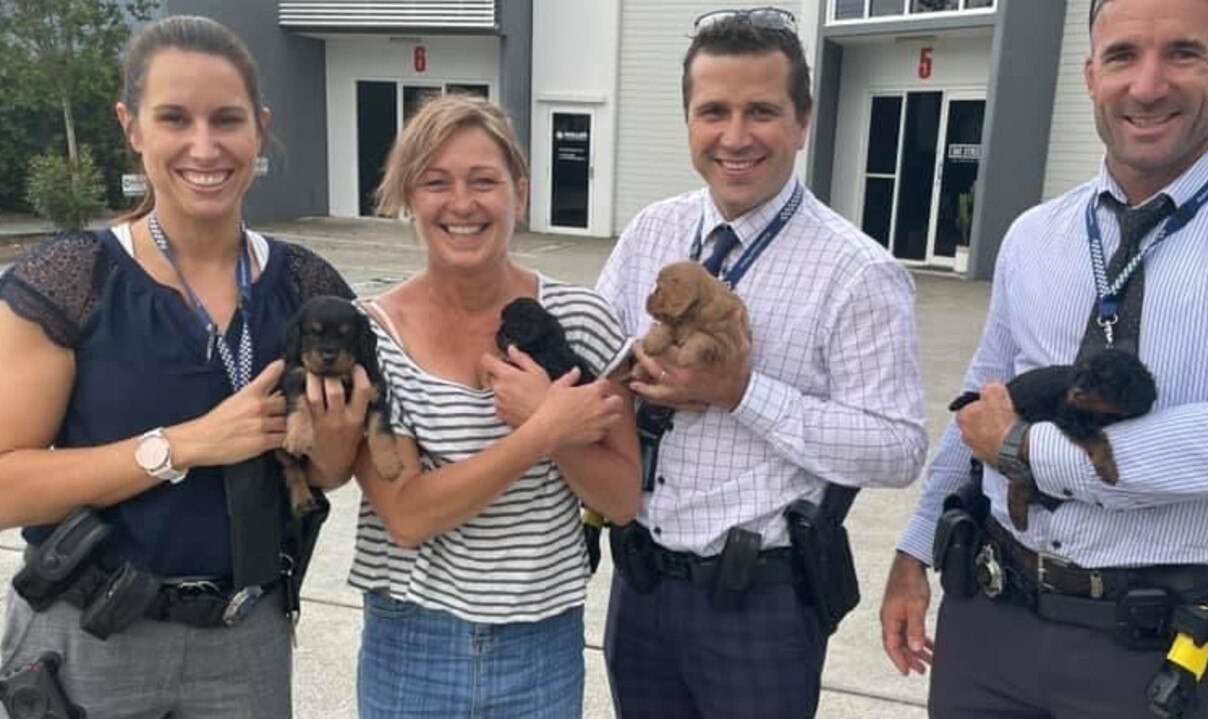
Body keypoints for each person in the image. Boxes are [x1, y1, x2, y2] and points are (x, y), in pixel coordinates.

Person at [881, 1, 1208, 717]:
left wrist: (1024, 449)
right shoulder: (1035, 234)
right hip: (989, 620)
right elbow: (980, 398)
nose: (1147, 85)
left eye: (1182, 54)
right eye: (1123, 56)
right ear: (1091, 73)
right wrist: (912, 552)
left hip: (1153, 648)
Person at [0, 15, 368, 718]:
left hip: (244, 638)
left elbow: (324, 471)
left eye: (227, 119)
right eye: (174, 117)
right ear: (131, 126)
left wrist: (336, 438)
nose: (205, 146)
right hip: (91, 634)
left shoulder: (305, 287)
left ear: (259, 128)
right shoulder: (71, 278)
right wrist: (182, 446)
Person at [596, 7, 927, 718]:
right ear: (687, 120)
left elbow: (897, 449)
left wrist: (741, 390)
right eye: (713, 110)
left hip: (758, 603)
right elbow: (598, 357)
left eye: (762, 111)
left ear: (802, 121)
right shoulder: (651, 231)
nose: (735, 136)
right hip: (640, 584)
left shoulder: (857, 272)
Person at [347, 94, 641, 719]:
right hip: (411, 643)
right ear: (408, 197)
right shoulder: (371, 336)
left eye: (484, 181)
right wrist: (542, 431)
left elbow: (620, 499)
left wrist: (557, 429)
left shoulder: (583, 321)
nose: (461, 204)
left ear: (520, 193)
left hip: (540, 646)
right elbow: (407, 516)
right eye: (435, 183)